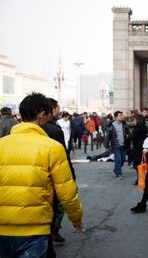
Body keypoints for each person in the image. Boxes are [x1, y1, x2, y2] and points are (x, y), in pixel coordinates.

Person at [0, 93, 83, 258]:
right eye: (48, 113)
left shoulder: (2, 144)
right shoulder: (52, 147)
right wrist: (76, 218)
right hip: (35, 228)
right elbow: (66, 191)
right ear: (41, 114)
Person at [42, 99, 76, 251]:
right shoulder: (54, 131)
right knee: (57, 205)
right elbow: (63, 160)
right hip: (52, 177)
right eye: (57, 108)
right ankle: (53, 231)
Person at [105, 111, 127, 180]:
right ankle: (118, 174)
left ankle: (115, 170)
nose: (122, 117)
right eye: (120, 115)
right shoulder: (111, 125)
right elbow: (107, 136)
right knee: (118, 160)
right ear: (116, 117)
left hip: (123, 144)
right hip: (116, 145)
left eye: (122, 115)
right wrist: (107, 146)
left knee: (123, 159)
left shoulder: (124, 124)